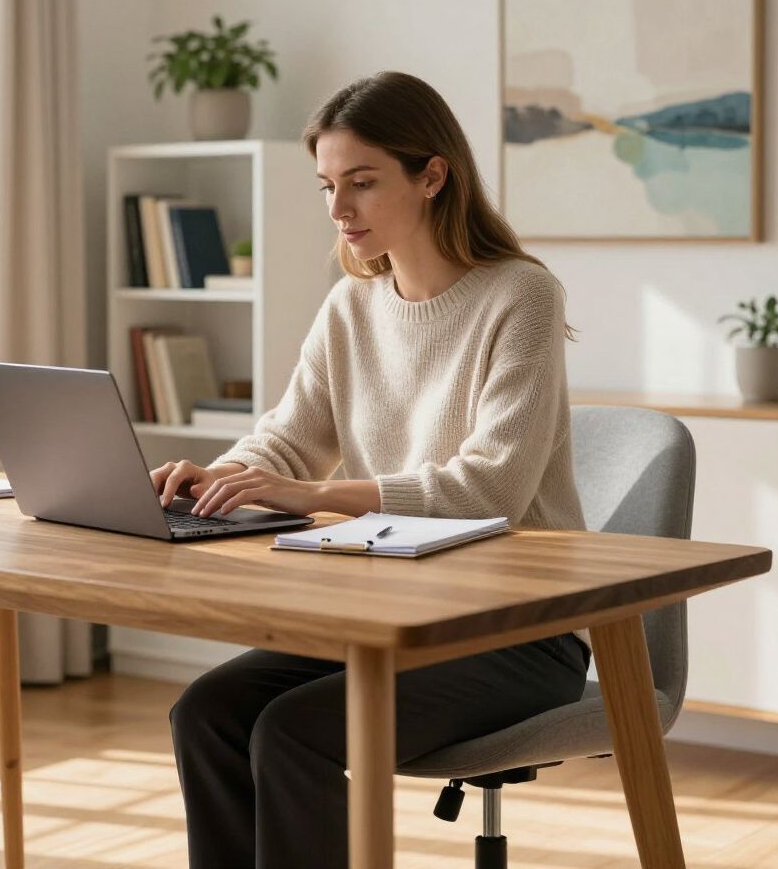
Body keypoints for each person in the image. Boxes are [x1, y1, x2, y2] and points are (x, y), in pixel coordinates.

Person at [149, 70, 590, 869]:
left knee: (292, 732)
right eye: (326, 185)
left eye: (361, 182)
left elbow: (489, 488)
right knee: (205, 712)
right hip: (390, 619)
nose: (339, 209)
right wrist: (214, 478)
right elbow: (287, 441)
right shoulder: (351, 307)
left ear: (432, 175)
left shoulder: (521, 296)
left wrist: (315, 494)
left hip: (521, 631)